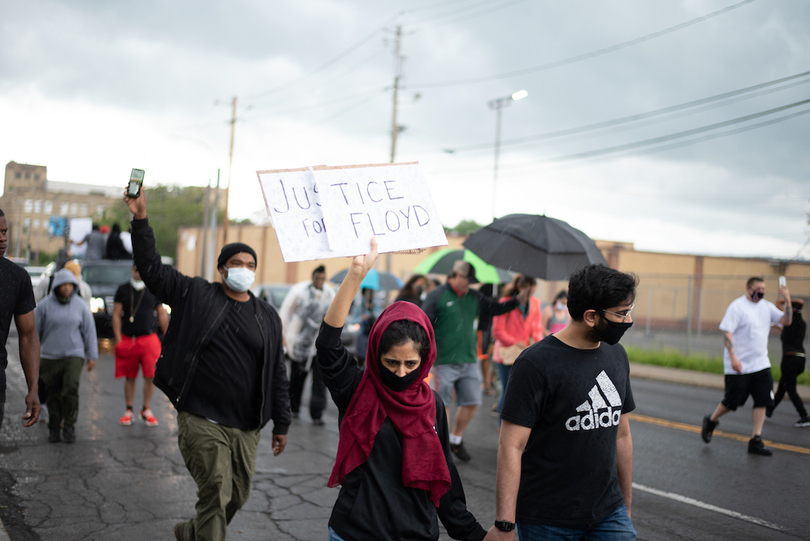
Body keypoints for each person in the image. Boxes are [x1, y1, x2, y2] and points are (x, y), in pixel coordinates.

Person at [125, 189, 291, 541]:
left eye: (250, 265)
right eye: (236, 264)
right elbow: (152, 270)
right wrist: (140, 219)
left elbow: (277, 371)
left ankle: (191, 531)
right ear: (221, 269)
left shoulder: (268, 317)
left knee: (237, 495)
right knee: (217, 489)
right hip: (202, 417)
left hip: (246, 426)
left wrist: (283, 422)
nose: (244, 270)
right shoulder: (195, 294)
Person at [316, 238, 489, 541]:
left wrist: (474, 533)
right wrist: (356, 273)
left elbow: (444, 472)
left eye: (410, 364)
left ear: (425, 358)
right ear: (375, 354)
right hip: (356, 532)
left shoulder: (432, 404)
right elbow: (328, 346)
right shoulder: (357, 389)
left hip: (416, 533)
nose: (400, 372)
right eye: (391, 362)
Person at [489, 264, 637, 541]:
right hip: (548, 519)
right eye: (621, 313)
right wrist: (505, 525)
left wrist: (625, 506)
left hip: (609, 514)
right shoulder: (535, 364)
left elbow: (622, 434)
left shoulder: (617, 355)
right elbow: (511, 445)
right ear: (591, 316)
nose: (628, 320)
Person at [423, 260, 528, 462]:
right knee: (442, 403)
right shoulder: (437, 295)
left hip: (469, 359)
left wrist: (517, 300)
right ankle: (441, 444)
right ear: (456, 276)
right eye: (467, 280)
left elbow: (495, 308)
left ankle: (455, 438)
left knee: (472, 401)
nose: (470, 284)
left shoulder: (474, 297)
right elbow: (424, 322)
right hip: (443, 359)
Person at [701, 277, 792, 456]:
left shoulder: (766, 307)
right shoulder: (737, 307)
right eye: (758, 288)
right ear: (748, 288)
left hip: (761, 364)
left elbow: (786, 321)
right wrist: (733, 357)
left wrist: (787, 299)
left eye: (763, 289)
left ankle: (755, 440)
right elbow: (727, 331)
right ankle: (711, 420)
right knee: (732, 402)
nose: (761, 292)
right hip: (739, 365)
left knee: (763, 401)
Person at [34, 269, 98, 443]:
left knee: (70, 389)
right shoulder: (44, 305)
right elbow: (34, 333)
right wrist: (33, 356)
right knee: (53, 393)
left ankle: (69, 425)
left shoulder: (80, 305)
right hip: (49, 357)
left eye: (71, 285)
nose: (68, 288)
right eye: (64, 285)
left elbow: (89, 331)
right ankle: (54, 426)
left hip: (73, 355)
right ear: (56, 286)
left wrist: (92, 355)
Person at [112, 264, 169, 427]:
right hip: (128, 338)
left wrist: (168, 335)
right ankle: (129, 410)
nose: (139, 273)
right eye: (137, 270)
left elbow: (162, 313)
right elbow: (116, 314)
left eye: (142, 270)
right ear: (132, 270)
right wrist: (118, 339)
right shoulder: (123, 289)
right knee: (129, 375)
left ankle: (146, 408)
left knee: (151, 375)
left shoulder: (153, 289)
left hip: (149, 338)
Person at [0, 208, 41, 430]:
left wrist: (33, 389)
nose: (2, 238)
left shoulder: (17, 278)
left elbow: (28, 336)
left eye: (5, 231)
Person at [279, 265, 335, 425]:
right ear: (313, 278)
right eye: (317, 278)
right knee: (297, 377)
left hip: (318, 345)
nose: (319, 282)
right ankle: (293, 407)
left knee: (319, 380)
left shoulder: (328, 293)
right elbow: (286, 313)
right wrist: (284, 335)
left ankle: (317, 413)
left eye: (322, 279)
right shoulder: (300, 293)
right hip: (300, 344)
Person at [491, 275, 543, 416]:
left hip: (524, 353)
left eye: (532, 292)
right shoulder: (506, 302)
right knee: (508, 391)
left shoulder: (535, 303)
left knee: (520, 392)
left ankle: (514, 422)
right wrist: (515, 342)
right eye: (528, 292)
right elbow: (498, 331)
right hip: (506, 354)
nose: (530, 295)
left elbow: (537, 329)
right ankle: (503, 426)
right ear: (520, 287)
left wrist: (540, 348)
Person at [767, 298, 808, 426]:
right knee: (782, 387)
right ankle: (769, 411)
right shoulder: (802, 323)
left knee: (790, 389)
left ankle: (805, 416)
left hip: (789, 359)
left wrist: (786, 299)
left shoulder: (788, 322)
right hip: (800, 358)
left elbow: (778, 303)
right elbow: (788, 335)